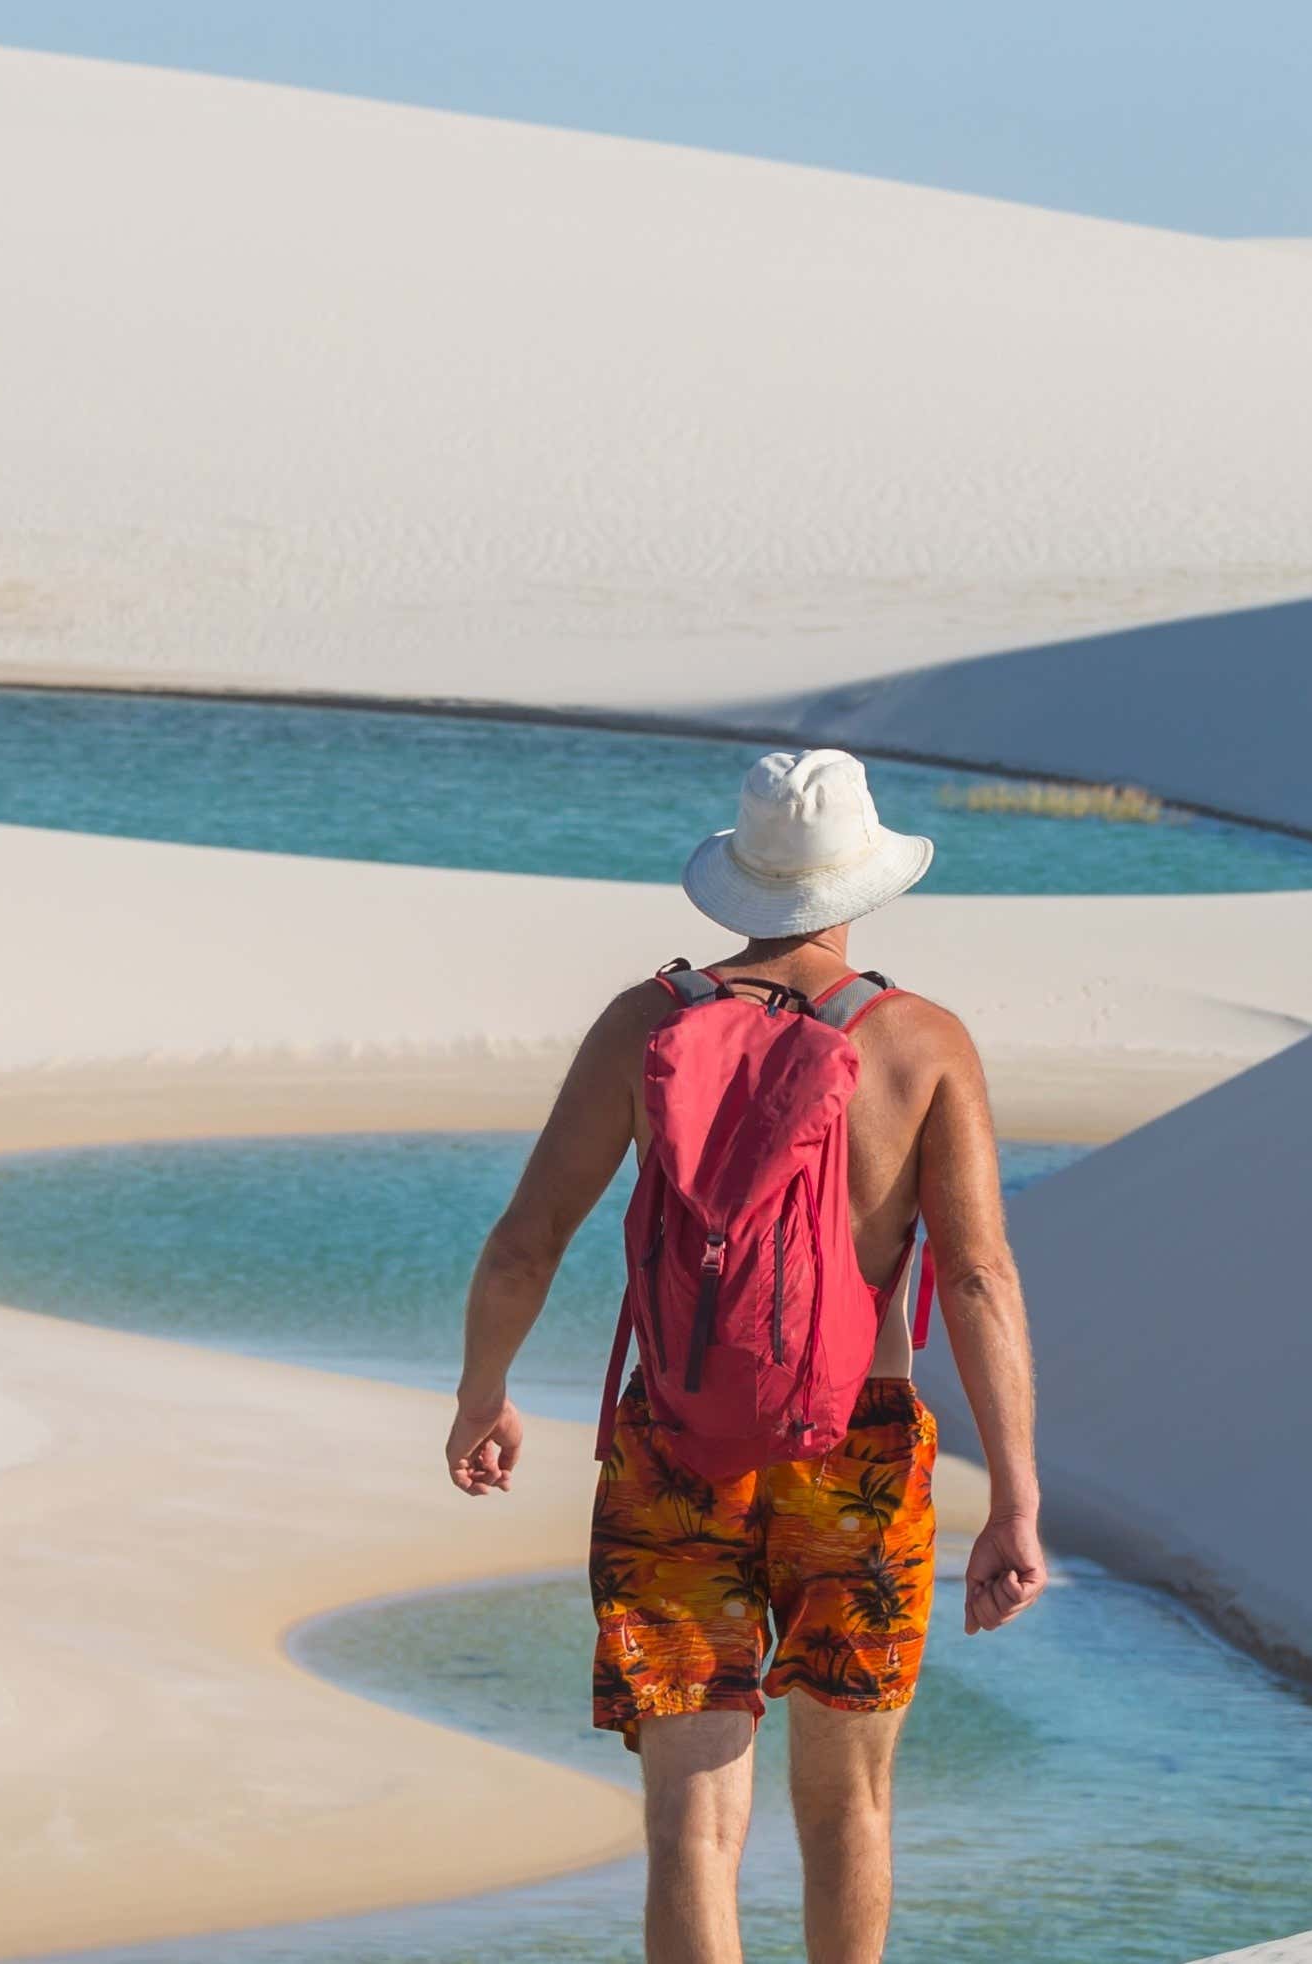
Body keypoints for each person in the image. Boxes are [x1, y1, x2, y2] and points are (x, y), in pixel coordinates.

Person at [444, 747, 1052, 1964]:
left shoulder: (646, 1023)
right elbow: (979, 1276)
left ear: (740, 877)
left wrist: (482, 1395)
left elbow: (525, 1241)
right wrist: (1017, 1499)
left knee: (691, 1816)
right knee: (850, 1805)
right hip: (861, 1451)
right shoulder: (920, 1042)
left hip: (676, 1442)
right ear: (864, 882)